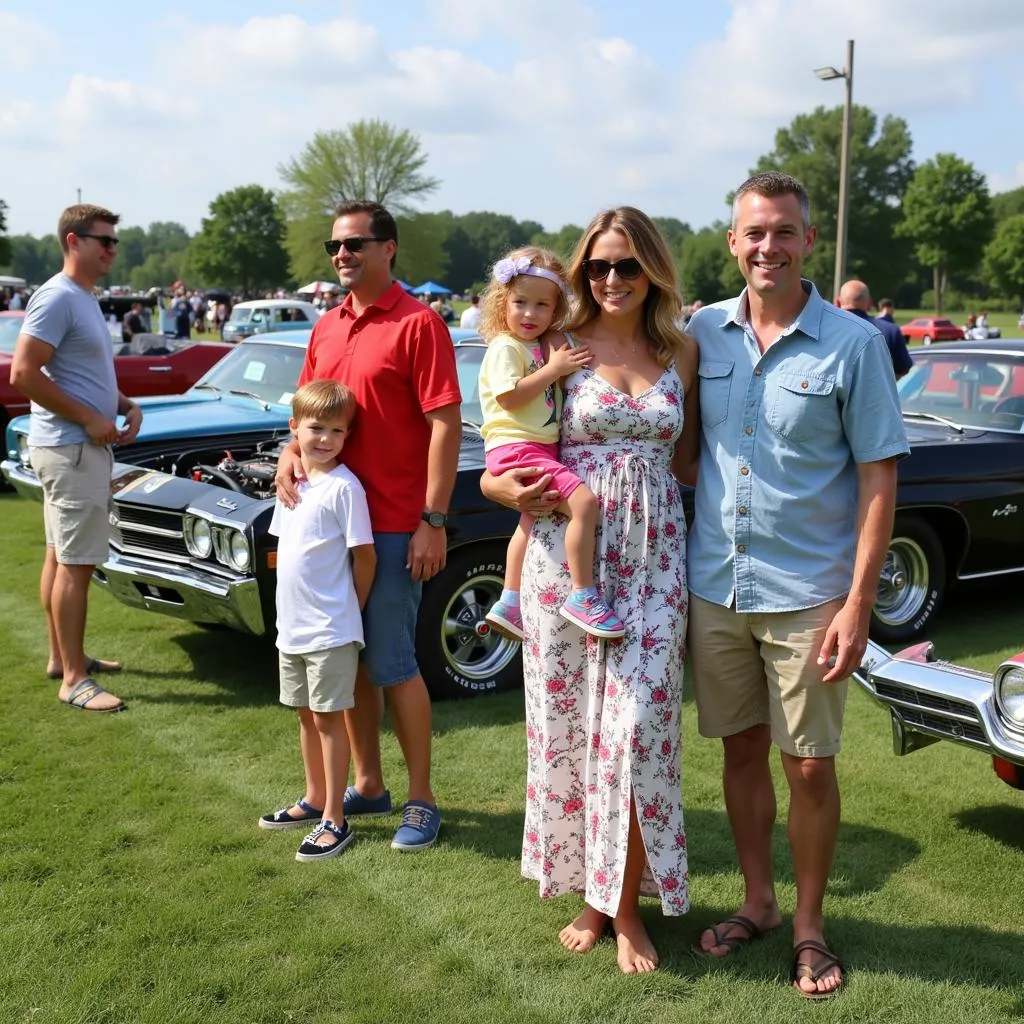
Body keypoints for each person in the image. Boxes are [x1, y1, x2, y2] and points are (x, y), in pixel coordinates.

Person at [685, 172, 908, 999]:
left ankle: (811, 926)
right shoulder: (701, 332)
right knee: (740, 751)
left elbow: (880, 481)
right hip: (715, 588)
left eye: (783, 231)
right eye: (753, 233)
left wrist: (858, 603)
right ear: (733, 240)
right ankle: (760, 903)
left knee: (808, 765)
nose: (767, 247)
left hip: (810, 593)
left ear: (808, 241)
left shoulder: (854, 344)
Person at [481, 207, 700, 975]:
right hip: (567, 563)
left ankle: (628, 905)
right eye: (599, 267)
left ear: (653, 273)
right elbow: (503, 439)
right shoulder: (553, 343)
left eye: (628, 267)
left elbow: (690, 462)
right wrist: (500, 491)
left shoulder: (682, 351)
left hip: (657, 558)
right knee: (572, 733)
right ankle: (591, 897)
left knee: (638, 733)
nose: (612, 280)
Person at [275, 200, 462, 852]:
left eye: (354, 244)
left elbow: (446, 425)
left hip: (390, 525)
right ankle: (369, 784)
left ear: (390, 248)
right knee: (345, 660)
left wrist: (432, 520)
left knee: (392, 662)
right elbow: (306, 413)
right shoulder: (327, 325)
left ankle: (421, 799)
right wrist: (286, 454)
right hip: (328, 525)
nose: (341, 256)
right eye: (334, 246)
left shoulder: (419, 325)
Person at [9, 203, 143, 713]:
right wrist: (89, 418)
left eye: (114, 241)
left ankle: (62, 657)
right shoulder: (59, 297)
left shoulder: (83, 298)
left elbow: (80, 373)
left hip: (72, 447)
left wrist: (122, 403)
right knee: (77, 564)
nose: (112, 249)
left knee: (58, 556)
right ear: (73, 240)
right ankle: (72, 679)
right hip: (71, 449)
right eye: (103, 240)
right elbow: (23, 373)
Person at [479, 247, 623, 642]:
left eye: (542, 305)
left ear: (556, 308)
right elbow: (509, 397)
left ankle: (509, 600)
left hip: (535, 448)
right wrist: (555, 370)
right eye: (520, 303)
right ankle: (583, 594)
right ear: (502, 303)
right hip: (517, 446)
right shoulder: (506, 347)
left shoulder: (536, 347)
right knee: (585, 504)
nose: (529, 314)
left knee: (530, 521)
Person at [260, 379, 376, 861]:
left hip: (331, 629)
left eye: (337, 430)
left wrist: (352, 607)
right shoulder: (292, 486)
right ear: (294, 429)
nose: (325, 439)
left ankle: (335, 817)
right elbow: (285, 555)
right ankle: (312, 799)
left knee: (329, 720)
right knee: (306, 716)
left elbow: (364, 557)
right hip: (294, 628)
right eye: (315, 428)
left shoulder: (345, 488)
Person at [837, 280, 912, 379]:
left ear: (838, 302)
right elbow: (903, 368)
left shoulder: (824, 329)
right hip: (878, 393)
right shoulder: (891, 330)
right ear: (869, 303)